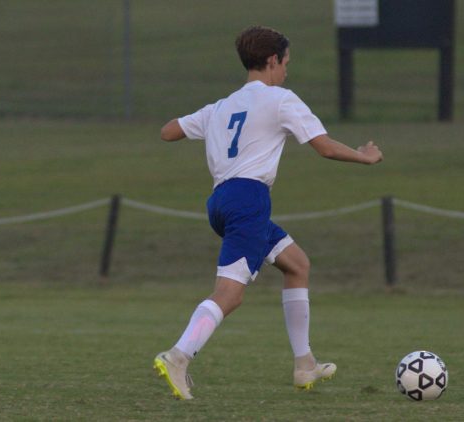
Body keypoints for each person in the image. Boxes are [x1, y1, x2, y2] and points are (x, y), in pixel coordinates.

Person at [155, 25, 383, 400]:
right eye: (286, 63)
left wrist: (206, 125)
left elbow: (167, 131)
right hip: (249, 200)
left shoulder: (221, 107)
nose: (287, 71)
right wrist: (365, 156)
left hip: (220, 203)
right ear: (273, 60)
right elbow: (324, 147)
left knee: (296, 264)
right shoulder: (280, 99)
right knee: (230, 294)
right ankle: (179, 355)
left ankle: (304, 363)